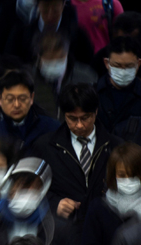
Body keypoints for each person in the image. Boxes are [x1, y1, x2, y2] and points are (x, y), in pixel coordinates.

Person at [35, 83, 119, 224]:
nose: (79, 125)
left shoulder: (115, 146)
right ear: (64, 115)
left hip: (104, 225)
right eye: (72, 118)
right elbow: (31, 188)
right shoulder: (45, 147)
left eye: (85, 118)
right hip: (63, 227)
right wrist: (54, 203)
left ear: (96, 112)